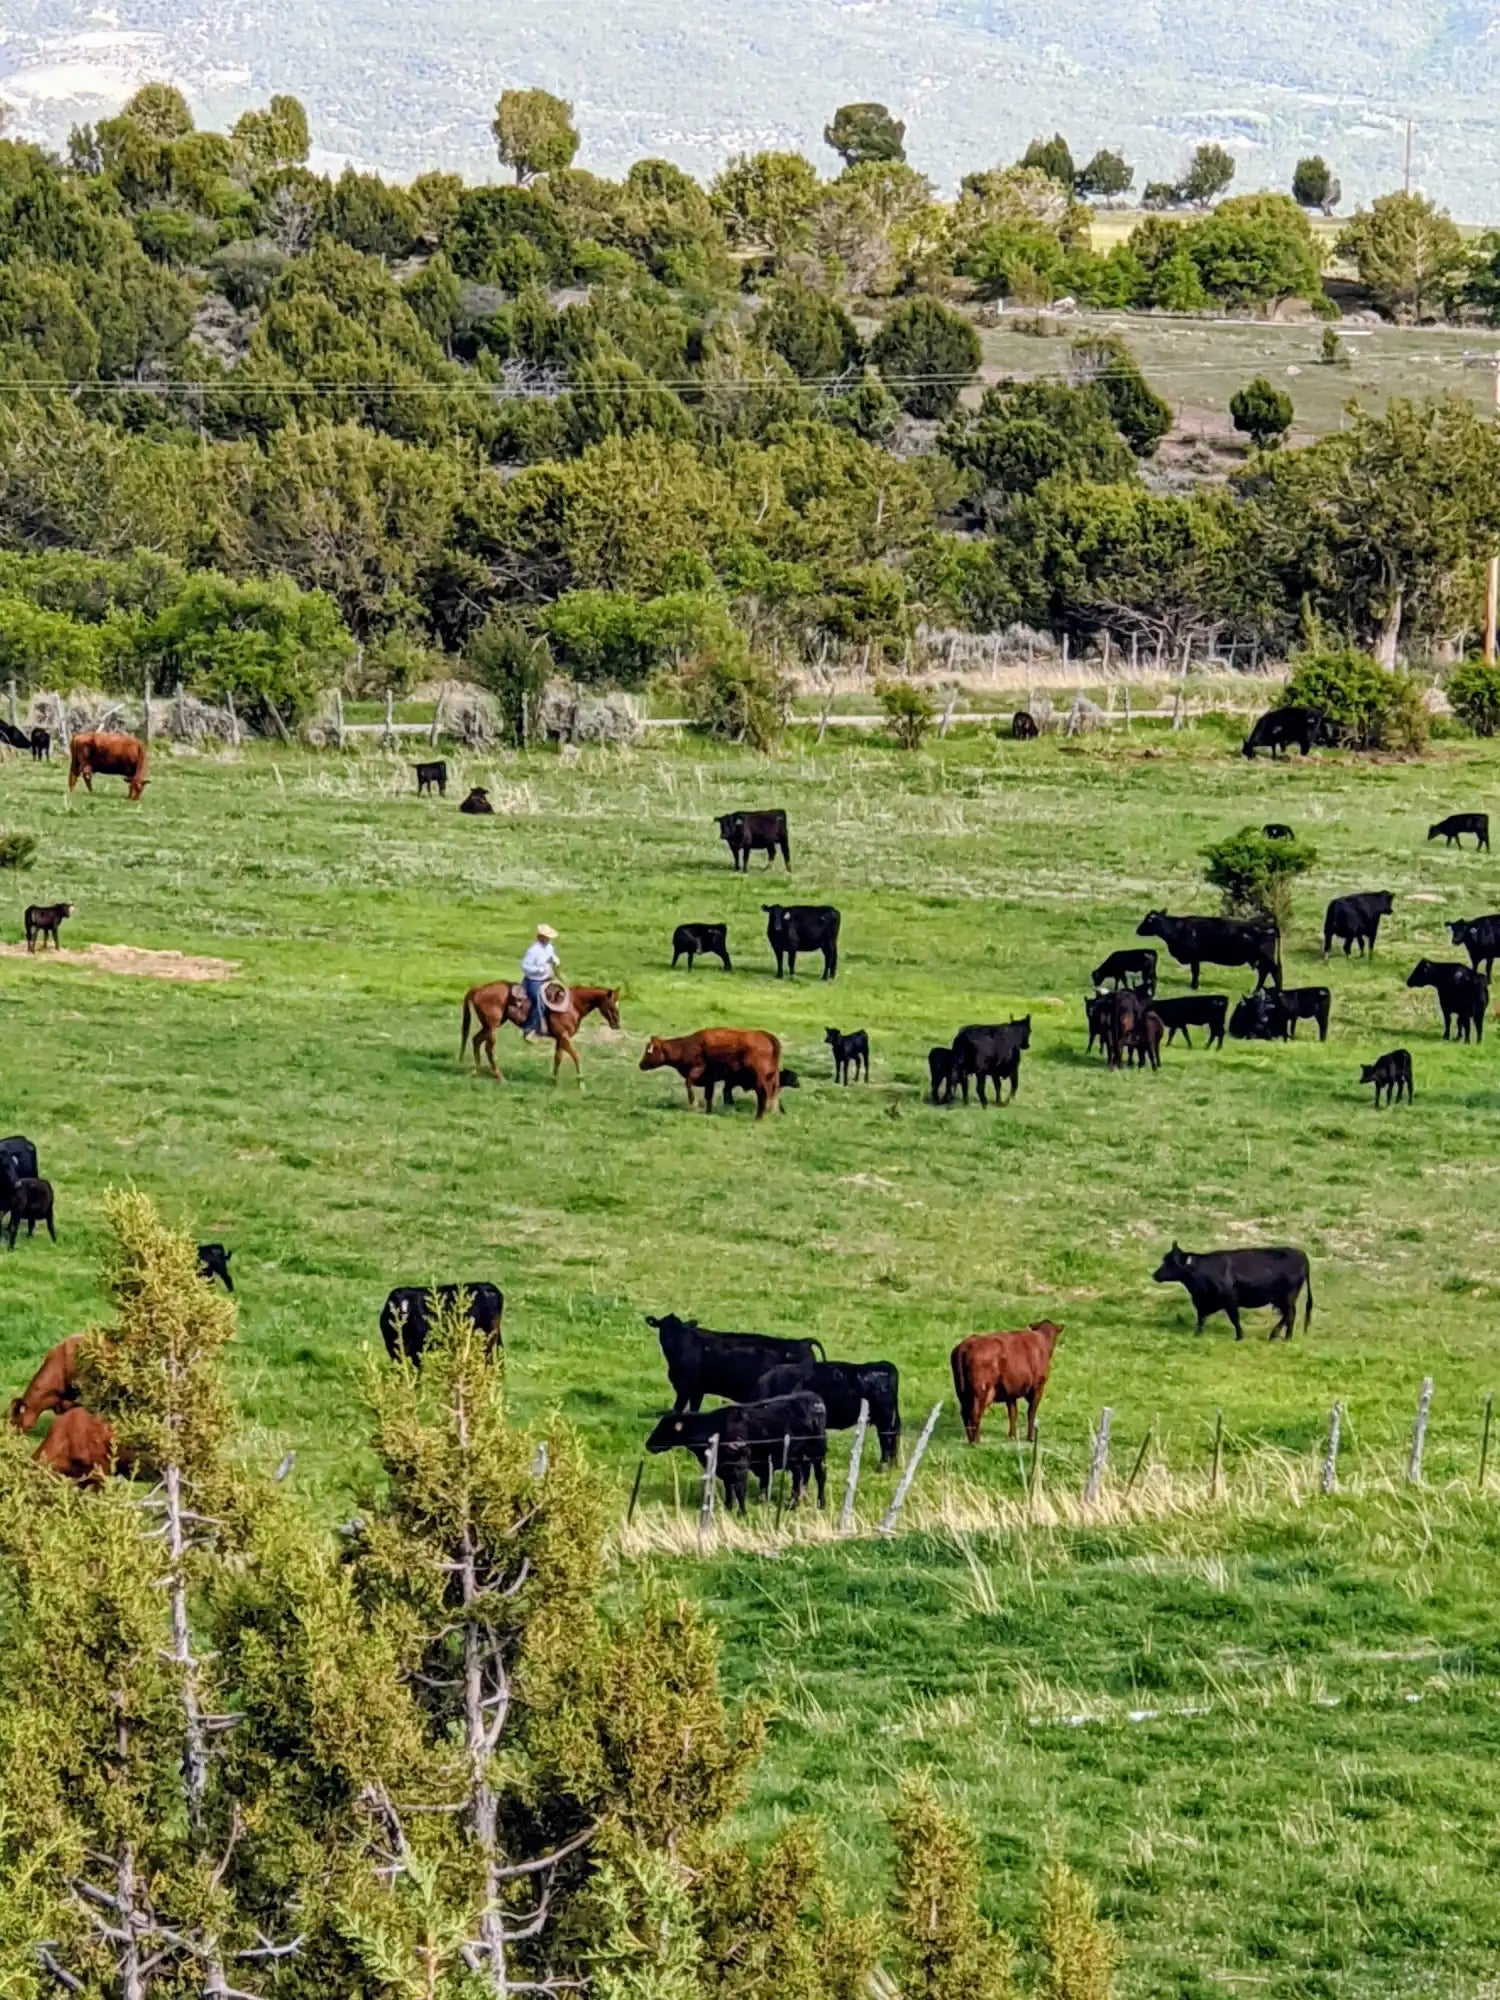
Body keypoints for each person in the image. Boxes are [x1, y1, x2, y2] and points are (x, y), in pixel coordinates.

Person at [521, 924, 562, 1040]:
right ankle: (529, 1028)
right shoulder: (533, 951)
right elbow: (524, 966)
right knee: (538, 1002)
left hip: (547, 977)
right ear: (540, 936)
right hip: (534, 980)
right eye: (546, 937)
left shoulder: (549, 947)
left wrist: (555, 959)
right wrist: (539, 970)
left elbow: (551, 956)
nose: (548, 939)